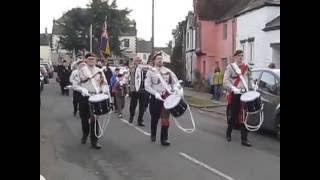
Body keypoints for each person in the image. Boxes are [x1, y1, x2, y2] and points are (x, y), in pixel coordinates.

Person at [145, 52, 181, 146]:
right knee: (155, 118)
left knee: (165, 119)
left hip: (166, 98)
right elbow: (147, 86)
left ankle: (164, 138)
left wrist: (176, 88)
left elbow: (174, 83)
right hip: (155, 97)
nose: (160, 60)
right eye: (158, 59)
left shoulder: (167, 71)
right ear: (154, 61)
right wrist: (155, 93)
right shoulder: (150, 72)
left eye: (161, 58)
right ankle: (153, 133)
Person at [77, 53, 110, 149]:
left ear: (96, 60)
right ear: (86, 60)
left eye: (93, 59)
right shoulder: (81, 71)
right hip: (84, 96)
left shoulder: (99, 71)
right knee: (84, 118)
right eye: (89, 59)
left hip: (95, 97)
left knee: (94, 119)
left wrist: (104, 90)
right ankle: (85, 134)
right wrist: (82, 89)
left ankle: (94, 141)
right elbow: (75, 84)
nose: (91, 60)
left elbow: (104, 83)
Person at [223, 50, 255, 147]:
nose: (241, 58)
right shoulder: (231, 67)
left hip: (245, 94)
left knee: (244, 116)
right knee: (234, 116)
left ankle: (244, 139)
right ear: (235, 57)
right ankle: (228, 133)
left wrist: (253, 86)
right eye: (239, 56)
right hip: (236, 94)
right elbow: (225, 81)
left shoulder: (247, 67)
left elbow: (250, 79)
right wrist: (233, 88)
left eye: (242, 56)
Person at [128, 57, 149, 126]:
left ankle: (140, 120)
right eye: (136, 61)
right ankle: (131, 116)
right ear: (134, 61)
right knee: (133, 105)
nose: (138, 62)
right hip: (134, 89)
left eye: (139, 61)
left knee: (142, 106)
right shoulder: (132, 68)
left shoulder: (144, 68)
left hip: (142, 89)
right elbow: (130, 74)